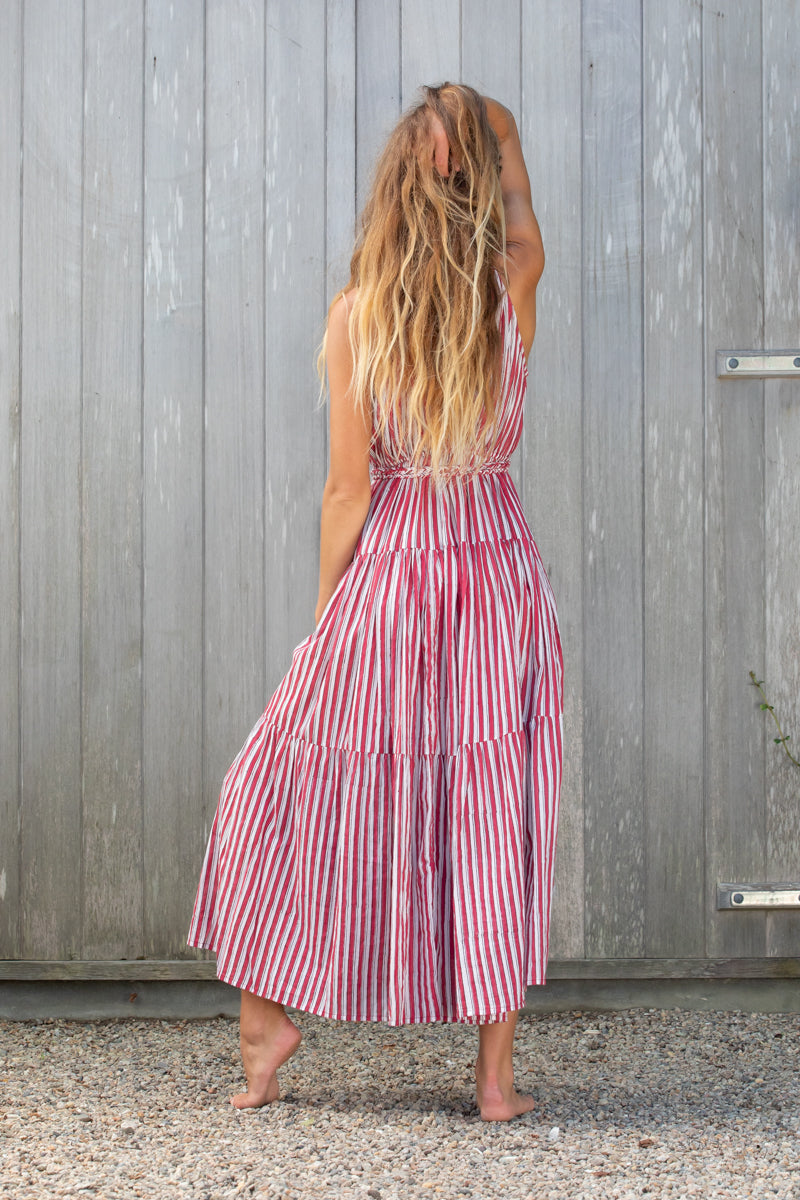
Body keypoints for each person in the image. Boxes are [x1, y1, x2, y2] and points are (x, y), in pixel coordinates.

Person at [188, 83, 563, 1123]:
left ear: (397, 186)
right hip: (496, 569)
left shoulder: (358, 317)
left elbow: (348, 489)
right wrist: (478, 114)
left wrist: (322, 628)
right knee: (494, 803)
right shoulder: (512, 282)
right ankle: (491, 1082)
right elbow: (519, 191)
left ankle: (267, 1022)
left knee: (281, 780)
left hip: (393, 576)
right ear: (477, 182)